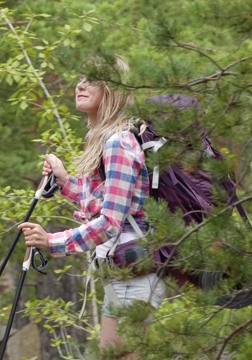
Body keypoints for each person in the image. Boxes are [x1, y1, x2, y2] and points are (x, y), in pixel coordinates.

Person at [18, 56, 165, 358]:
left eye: (93, 81)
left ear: (112, 90)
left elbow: (111, 221)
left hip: (134, 273)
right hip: (122, 272)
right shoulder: (100, 139)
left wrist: (52, 242)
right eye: (80, 79)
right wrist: (64, 182)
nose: (80, 85)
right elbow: (105, 202)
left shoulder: (118, 143)